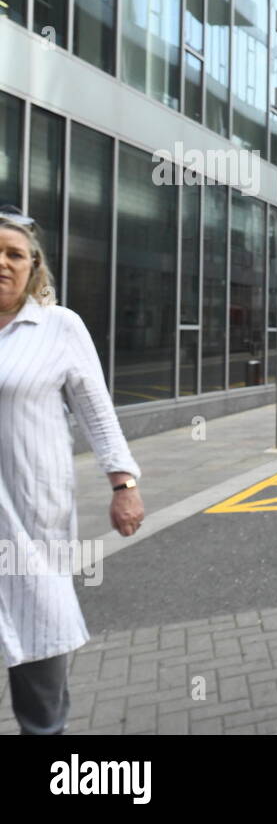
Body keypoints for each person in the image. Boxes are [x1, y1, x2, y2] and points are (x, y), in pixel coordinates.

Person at [0, 211, 145, 734]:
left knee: (39, 654)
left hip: (30, 519)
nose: (3, 263)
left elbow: (97, 412)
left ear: (33, 266)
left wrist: (123, 485)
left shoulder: (57, 325)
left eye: (15, 254)